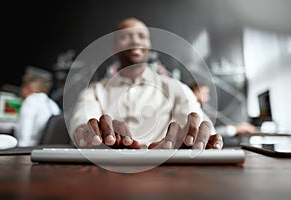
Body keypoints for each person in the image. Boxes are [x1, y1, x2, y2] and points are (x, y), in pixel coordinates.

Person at [69, 17, 223, 150]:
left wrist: (198, 136)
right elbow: (81, 121)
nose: (135, 40)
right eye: (126, 36)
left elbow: (194, 122)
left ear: (149, 46)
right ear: (114, 48)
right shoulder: (95, 91)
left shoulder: (175, 88)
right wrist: (85, 133)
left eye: (141, 36)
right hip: (109, 167)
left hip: (165, 166)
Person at [189, 82, 256, 136]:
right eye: (205, 93)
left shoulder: (197, 108)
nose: (208, 97)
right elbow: (211, 133)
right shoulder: (193, 109)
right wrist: (236, 129)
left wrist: (235, 127)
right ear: (196, 91)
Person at [14, 74, 61, 146]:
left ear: (30, 89)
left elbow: (25, 128)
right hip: (45, 148)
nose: (21, 91)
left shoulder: (31, 100)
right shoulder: (52, 104)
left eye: (22, 88)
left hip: (30, 148)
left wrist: (21, 150)